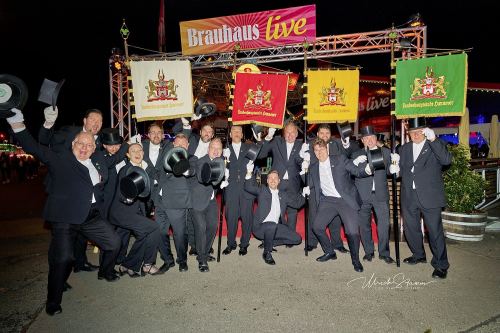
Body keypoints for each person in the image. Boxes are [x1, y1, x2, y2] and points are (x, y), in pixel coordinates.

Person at [5, 109, 121, 316]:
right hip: (66, 218)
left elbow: (110, 165)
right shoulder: (61, 159)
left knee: (114, 243)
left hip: (91, 217)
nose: (84, 148)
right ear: (72, 145)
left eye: (89, 145)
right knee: (63, 258)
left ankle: (105, 271)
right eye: (80, 144)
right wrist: (17, 122)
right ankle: (53, 301)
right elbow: (33, 146)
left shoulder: (97, 162)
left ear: (95, 148)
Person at [304, 138, 371, 272]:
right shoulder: (313, 167)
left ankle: (355, 260)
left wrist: (368, 169)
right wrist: (304, 178)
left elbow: (356, 171)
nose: (319, 153)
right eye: (316, 150)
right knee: (317, 227)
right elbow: (310, 182)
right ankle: (330, 252)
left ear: (327, 149)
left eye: (322, 149)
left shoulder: (339, 159)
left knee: (352, 231)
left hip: (345, 200)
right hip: (328, 201)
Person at [399, 118, 451, 279]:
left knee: (435, 231)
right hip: (409, 195)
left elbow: (446, 160)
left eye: (418, 131)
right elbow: (402, 170)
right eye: (412, 132)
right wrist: (394, 170)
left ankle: (441, 265)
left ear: (425, 131)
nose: (415, 135)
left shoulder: (434, 145)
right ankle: (418, 254)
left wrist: (434, 139)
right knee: (411, 228)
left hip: (430, 195)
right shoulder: (404, 148)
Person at [301, 123, 357, 252]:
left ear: (330, 135)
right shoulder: (309, 145)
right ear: (317, 134)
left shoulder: (337, 143)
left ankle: (337, 244)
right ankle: (312, 242)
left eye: (327, 133)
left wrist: (347, 143)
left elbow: (349, 151)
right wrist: (302, 157)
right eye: (322, 133)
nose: (324, 136)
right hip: (315, 186)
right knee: (314, 215)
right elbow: (302, 163)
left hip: (334, 188)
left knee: (336, 219)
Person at [110, 143, 162, 277]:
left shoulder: (142, 169)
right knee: (154, 228)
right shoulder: (127, 170)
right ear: (128, 155)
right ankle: (147, 265)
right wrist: (127, 197)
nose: (137, 152)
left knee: (145, 234)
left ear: (143, 153)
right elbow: (126, 190)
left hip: (134, 212)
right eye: (133, 151)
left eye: (140, 150)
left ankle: (128, 266)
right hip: (122, 212)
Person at [351, 126, 398, 264]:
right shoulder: (356, 155)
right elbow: (352, 172)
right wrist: (355, 164)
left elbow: (391, 172)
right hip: (362, 195)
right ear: (362, 140)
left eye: (372, 137)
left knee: (383, 225)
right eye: (366, 138)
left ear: (376, 138)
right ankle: (369, 251)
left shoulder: (386, 152)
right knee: (364, 225)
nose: (369, 140)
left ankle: (384, 253)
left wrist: (394, 167)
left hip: (380, 194)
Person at [154, 133, 197, 273]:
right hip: (160, 201)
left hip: (177, 203)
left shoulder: (191, 158)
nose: (180, 147)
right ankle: (168, 260)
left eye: (183, 145)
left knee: (179, 234)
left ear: (188, 146)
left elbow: (191, 171)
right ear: (173, 145)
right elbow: (157, 173)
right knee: (160, 232)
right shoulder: (165, 157)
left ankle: (182, 260)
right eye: (177, 144)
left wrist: (183, 167)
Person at [244, 166, 304, 265]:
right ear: (267, 180)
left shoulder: (283, 195)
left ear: (279, 181)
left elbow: (297, 204)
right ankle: (267, 253)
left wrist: (304, 194)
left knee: (297, 239)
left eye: (275, 178)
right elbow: (248, 187)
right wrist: (249, 173)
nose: (273, 180)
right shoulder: (262, 191)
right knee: (271, 224)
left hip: (275, 227)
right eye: (270, 178)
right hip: (260, 228)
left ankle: (269, 242)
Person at [256, 122, 303, 232]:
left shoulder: (302, 144)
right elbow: (261, 154)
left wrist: (305, 157)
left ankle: (290, 236)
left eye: (292, 133)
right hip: (276, 183)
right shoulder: (276, 141)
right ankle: (271, 235)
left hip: (293, 183)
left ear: (297, 134)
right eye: (287, 132)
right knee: (274, 209)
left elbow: (303, 163)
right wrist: (268, 137)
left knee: (292, 211)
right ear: (283, 133)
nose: (290, 135)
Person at [189, 137, 224, 272]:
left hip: (210, 200)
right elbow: (202, 177)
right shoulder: (201, 161)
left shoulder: (220, 161)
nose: (215, 151)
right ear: (208, 149)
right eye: (213, 148)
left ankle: (204, 252)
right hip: (197, 200)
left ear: (221, 151)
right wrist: (219, 178)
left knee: (212, 226)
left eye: (218, 149)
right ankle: (202, 260)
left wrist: (223, 178)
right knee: (201, 228)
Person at [221, 125, 257, 256]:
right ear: (230, 134)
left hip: (246, 187)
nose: (236, 133)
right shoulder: (225, 150)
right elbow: (217, 166)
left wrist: (263, 137)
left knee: (247, 218)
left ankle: (244, 244)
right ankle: (231, 243)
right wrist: (222, 160)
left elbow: (262, 151)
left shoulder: (249, 148)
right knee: (231, 217)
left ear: (242, 135)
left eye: (239, 131)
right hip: (231, 189)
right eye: (234, 131)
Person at [185, 121, 215, 255]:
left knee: (209, 220)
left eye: (210, 132)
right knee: (191, 219)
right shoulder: (192, 142)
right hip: (189, 185)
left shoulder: (215, 149)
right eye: (205, 131)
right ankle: (194, 244)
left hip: (206, 188)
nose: (207, 133)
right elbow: (181, 135)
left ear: (212, 135)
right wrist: (187, 124)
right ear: (200, 132)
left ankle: (205, 243)